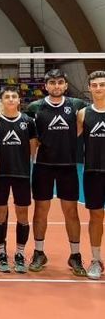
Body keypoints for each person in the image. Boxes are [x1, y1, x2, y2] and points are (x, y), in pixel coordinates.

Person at [26, 69, 87, 276]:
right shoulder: (35, 107)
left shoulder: (77, 105)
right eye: (52, 82)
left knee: (71, 212)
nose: (56, 86)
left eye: (60, 82)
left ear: (66, 85)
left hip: (67, 166)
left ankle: (75, 255)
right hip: (43, 165)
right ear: (46, 86)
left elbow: (84, 122)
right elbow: (29, 133)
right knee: (40, 210)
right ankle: (39, 252)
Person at [0, 87, 37, 274]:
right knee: (0, 214)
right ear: (1, 101)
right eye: (6, 97)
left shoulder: (28, 122)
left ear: (19, 100)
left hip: (21, 174)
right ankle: (1, 252)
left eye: (13, 96)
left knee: (22, 214)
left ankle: (19, 253)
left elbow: (33, 149)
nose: (10, 99)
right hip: (0, 174)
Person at [77, 70, 105, 280]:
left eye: (102, 84)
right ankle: (96, 260)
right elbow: (66, 137)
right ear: (89, 88)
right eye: (94, 85)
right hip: (93, 172)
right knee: (96, 217)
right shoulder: (83, 114)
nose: (98, 88)